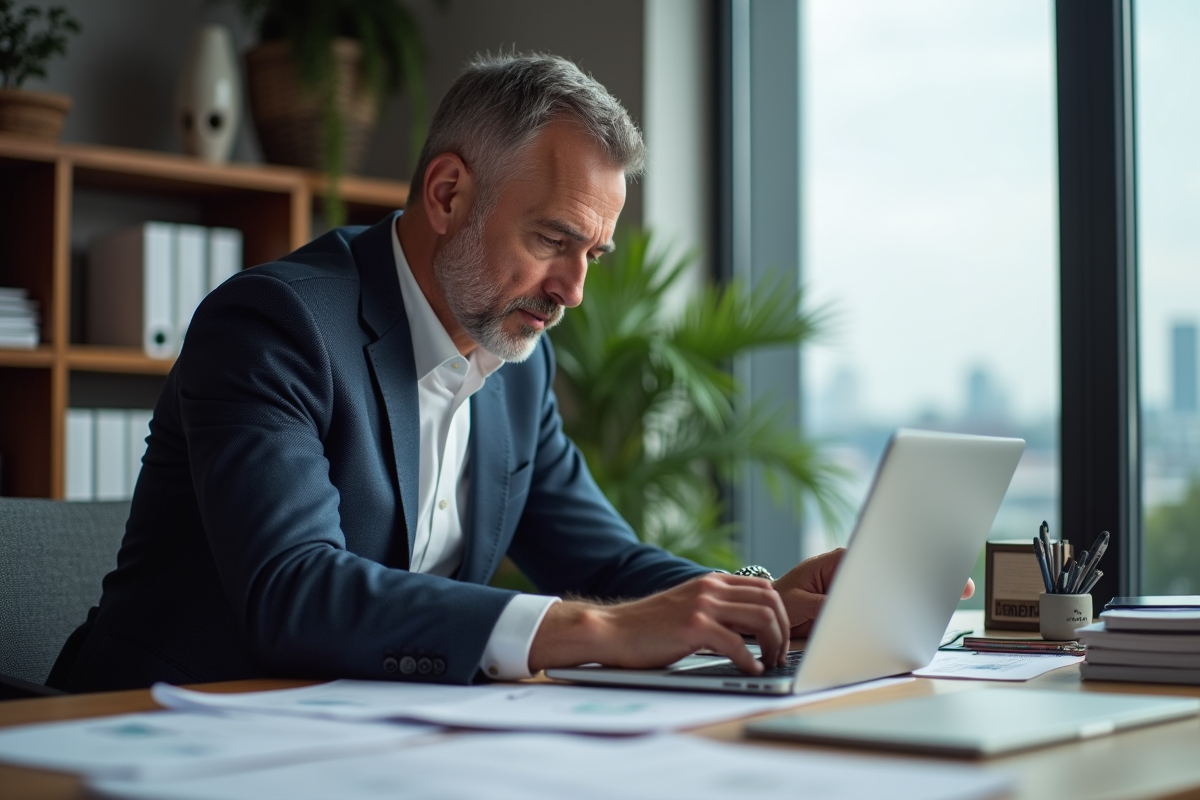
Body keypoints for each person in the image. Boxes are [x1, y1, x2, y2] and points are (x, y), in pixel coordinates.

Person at [54, 53, 967, 693]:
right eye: (552, 240)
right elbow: (294, 589)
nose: (572, 290)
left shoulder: (517, 361)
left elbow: (604, 561)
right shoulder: (277, 325)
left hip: (370, 742)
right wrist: (597, 631)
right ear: (448, 194)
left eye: (594, 254)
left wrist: (760, 606)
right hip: (157, 735)